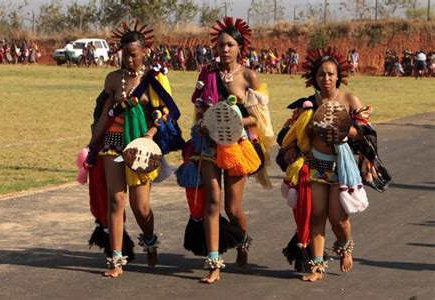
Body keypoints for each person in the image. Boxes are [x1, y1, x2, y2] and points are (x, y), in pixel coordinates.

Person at [279, 47, 391, 282]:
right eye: (321, 74)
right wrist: (292, 148)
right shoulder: (308, 103)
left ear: (338, 75)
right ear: (314, 78)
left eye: (330, 74)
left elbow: (366, 135)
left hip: (342, 168)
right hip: (316, 165)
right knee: (317, 215)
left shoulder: (350, 100)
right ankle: (317, 267)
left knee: (338, 219)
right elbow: (290, 134)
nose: (326, 78)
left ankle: (344, 246)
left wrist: (342, 126)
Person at [84, 20, 184, 278]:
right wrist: (93, 143)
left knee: (140, 207)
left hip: (141, 144)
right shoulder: (112, 79)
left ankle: (149, 240)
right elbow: (103, 113)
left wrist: (150, 136)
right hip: (113, 142)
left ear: (144, 53)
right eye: (125, 54)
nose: (130, 59)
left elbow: (166, 113)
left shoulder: (154, 79)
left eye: (134, 54)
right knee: (116, 200)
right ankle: (116, 259)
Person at [181, 16, 274, 284]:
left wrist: (233, 121)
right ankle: (214, 263)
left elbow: (258, 117)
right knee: (212, 201)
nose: (224, 50)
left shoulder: (248, 76)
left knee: (233, 208)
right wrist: (202, 124)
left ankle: (242, 243)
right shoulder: (206, 73)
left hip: (236, 145)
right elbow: (199, 109)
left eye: (230, 45)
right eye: (220, 45)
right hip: (208, 146)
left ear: (239, 47)